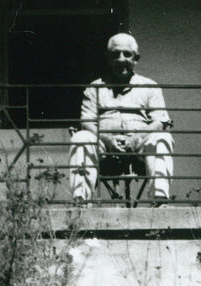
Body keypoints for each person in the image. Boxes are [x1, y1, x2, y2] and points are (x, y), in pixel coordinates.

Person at [69, 33, 174, 204]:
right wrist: (106, 139)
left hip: (140, 147)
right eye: (115, 54)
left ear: (136, 58)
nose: (121, 59)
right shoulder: (95, 87)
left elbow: (160, 121)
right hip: (103, 146)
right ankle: (80, 202)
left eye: (127, 54)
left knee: (162, 137)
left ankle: (159, 200)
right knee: (81, 137)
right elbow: (87, 120)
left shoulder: (150, 87)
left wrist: (136, 138)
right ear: (107, 58)